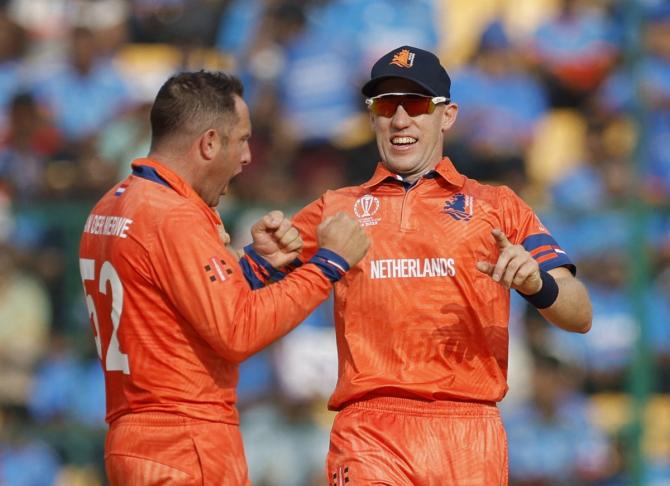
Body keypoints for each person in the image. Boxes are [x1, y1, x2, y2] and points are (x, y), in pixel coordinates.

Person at [288, 46, 593, 485]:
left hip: (469, 432)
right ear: (371, 116)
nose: (399, 120)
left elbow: (580, 314)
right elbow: (245, 280)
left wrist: (535, 283)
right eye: (385, 105)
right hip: (370, 430)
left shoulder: (499, 207)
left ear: (447, 115)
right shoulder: (336, 209)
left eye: (414, 105)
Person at [78, 70, 369, 485]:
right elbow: (237, 330)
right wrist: (328, 267)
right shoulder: (173, 215)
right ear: (210, 143)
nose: (248, 157)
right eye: (244, 139)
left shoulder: (108, 207)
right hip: (187, 440)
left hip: (133, 438)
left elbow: (174, 305)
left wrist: (255, 266)